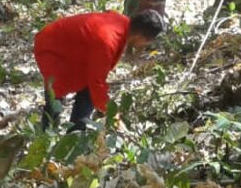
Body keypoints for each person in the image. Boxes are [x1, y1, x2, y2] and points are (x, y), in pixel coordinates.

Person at [34, 9, 166, 131]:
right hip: (52, 47)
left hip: (72, 49)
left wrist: (103, 106)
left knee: (88, 93)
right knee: (56, 96)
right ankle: (46, 140)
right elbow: (97, 83)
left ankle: (76, 134)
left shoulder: (122, 23)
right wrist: (114, 117)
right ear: (141, 37)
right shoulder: (107, 40)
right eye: (147, 42)